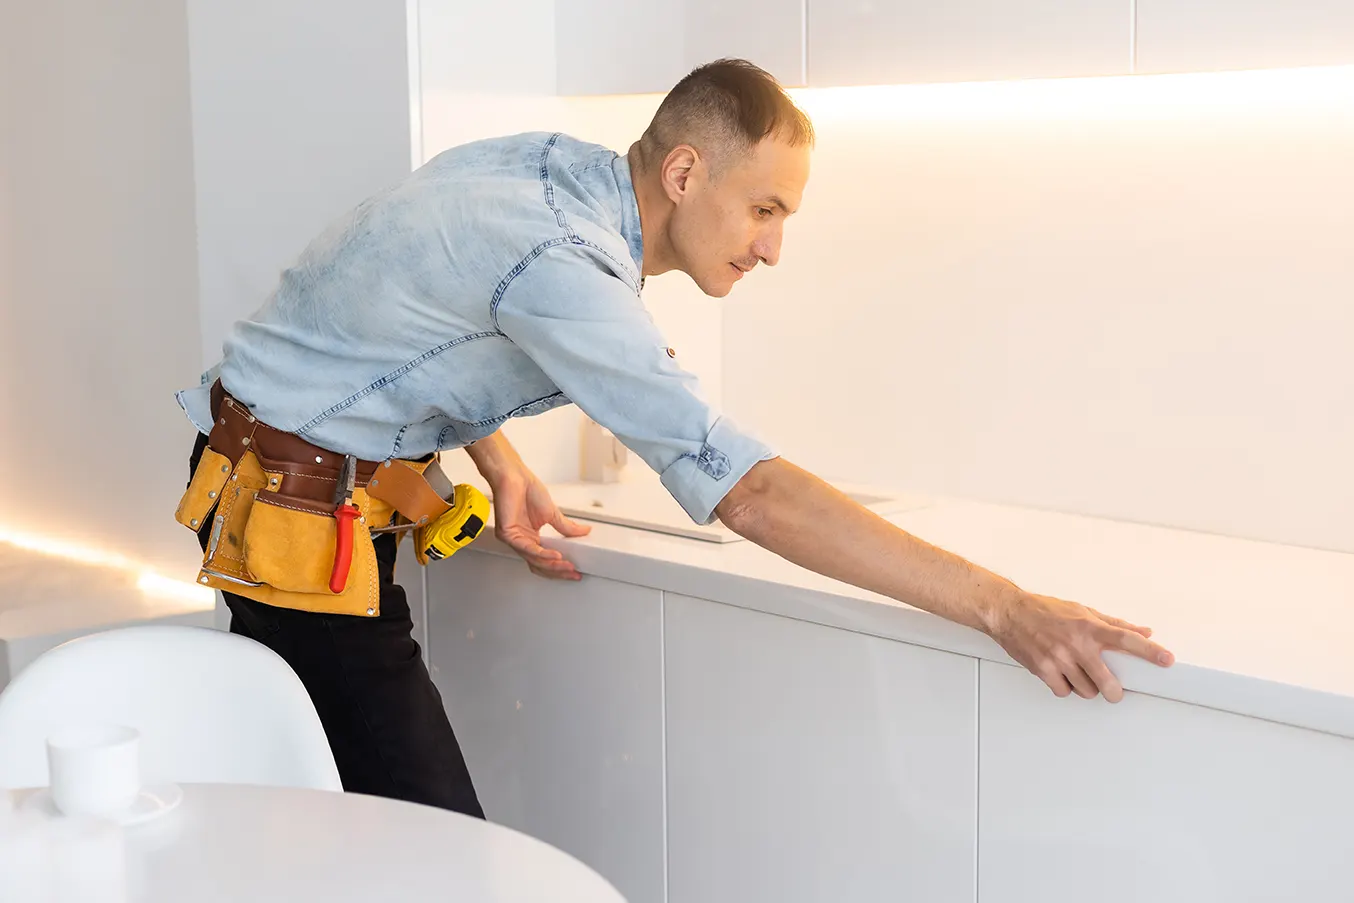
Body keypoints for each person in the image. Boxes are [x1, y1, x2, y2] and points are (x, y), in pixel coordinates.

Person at [174, 58, 1174, 816]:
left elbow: (418, 295)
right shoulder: (568, 264)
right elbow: (750, 492)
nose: (775, 246)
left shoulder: (548, 167)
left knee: (344, 808)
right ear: (687, 171)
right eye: (765, 208)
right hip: (292, 513)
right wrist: (1003, 608)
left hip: (276, 474)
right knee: (435, 844)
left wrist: (496, 451)